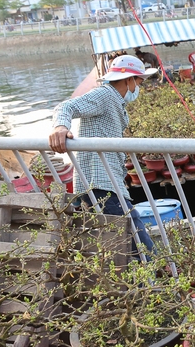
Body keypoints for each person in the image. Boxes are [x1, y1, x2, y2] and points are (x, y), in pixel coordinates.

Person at [49, 54, 159, 255]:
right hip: (101, 185)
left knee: (120, 245)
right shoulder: (105, 95)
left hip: (106, 183)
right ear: (129, 80)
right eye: (139, 82)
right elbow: (66, 106)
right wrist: (60, 127)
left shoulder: (115, 101)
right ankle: (150, 280)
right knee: (140, 247)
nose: (139, 88)